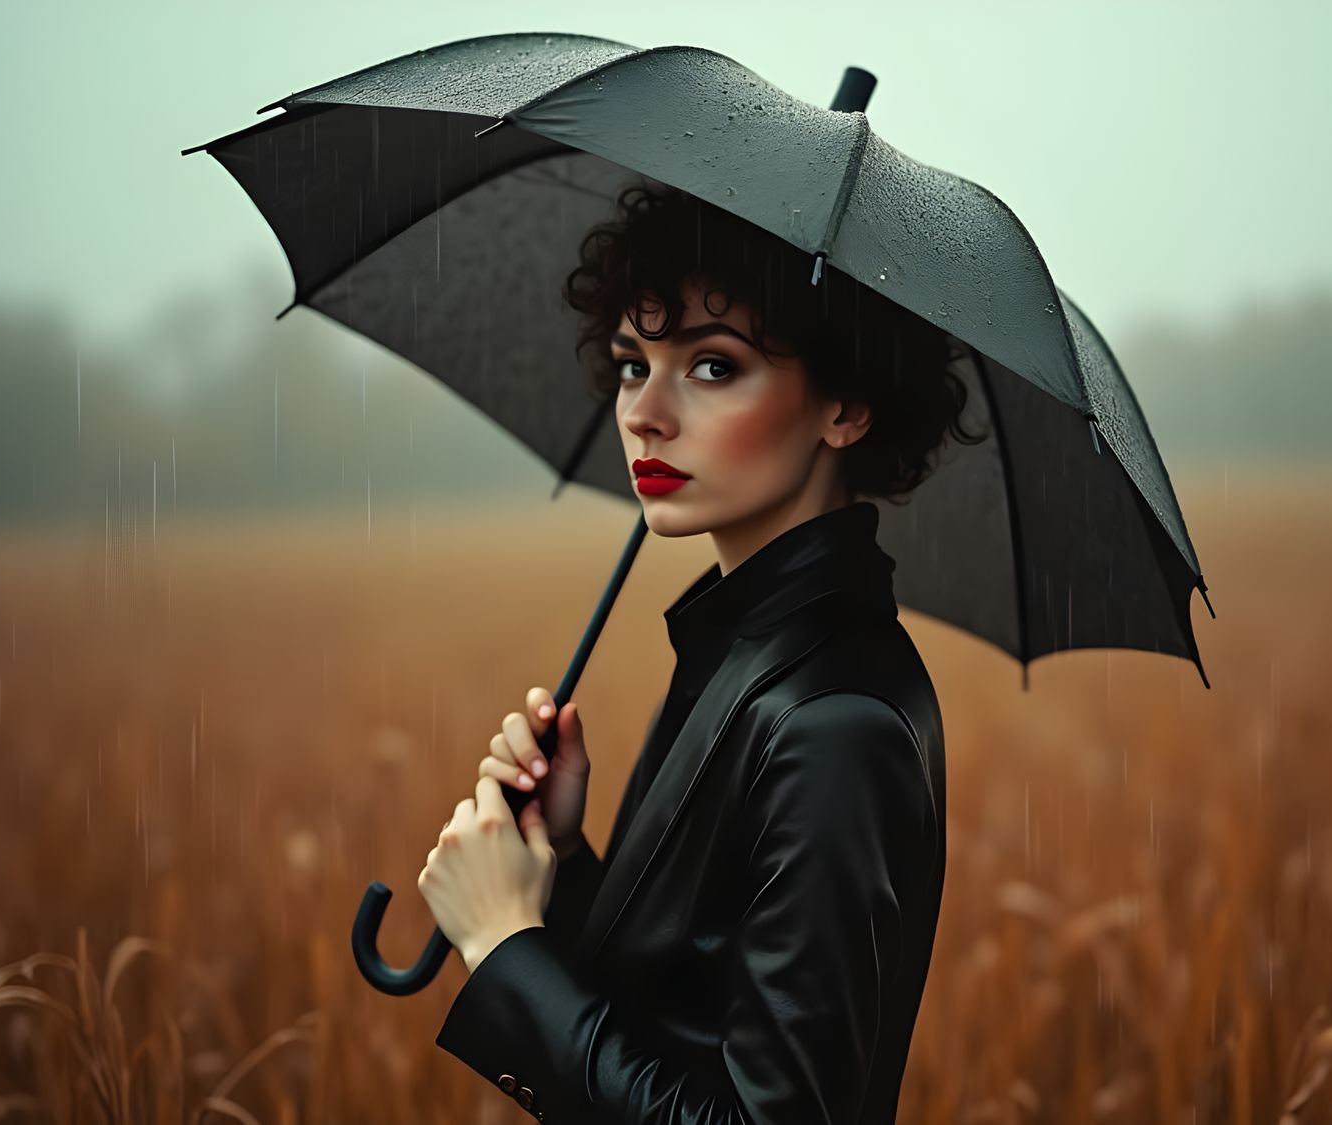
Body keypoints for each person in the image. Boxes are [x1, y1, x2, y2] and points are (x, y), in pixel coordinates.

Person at [416, 181, 986, 1123]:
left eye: (713, 367)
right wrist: (561, 861)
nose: (643, 412)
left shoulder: (837, 724)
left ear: (845, 404)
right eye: (634, 363)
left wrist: (506, 945)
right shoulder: (746, 651)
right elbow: (684, 1006)